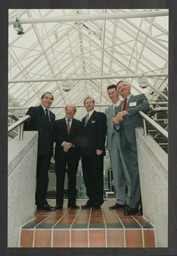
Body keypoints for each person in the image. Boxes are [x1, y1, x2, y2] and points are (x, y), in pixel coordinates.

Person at [113, 81, 150, 215]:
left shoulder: (139, 98)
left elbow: (146, 107)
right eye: (120, 88)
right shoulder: (117, 108)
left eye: (124, 86)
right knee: (133, 174)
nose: (122, 89)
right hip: (125, 144)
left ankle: (135, 205)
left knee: (137, 174)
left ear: (129, 87)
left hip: (136, 141)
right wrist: (116, 123)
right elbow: (116, 128)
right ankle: (138, 204)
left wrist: (126, 112)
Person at [24, 92, 56, 211]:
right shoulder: (33, 110)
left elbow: (52, 134)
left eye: (51, 99)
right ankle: (30, 201)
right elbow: (26, 128)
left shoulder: (52, 115)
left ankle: (41, 202)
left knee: (43, 176)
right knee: (33, 176)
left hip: (46, 151)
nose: (48, 100)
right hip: (35, 150)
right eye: (46, 98)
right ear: (41, 99)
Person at [105, 85, 131, 210]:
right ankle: (121, 200)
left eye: (113, 93)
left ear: (118, 93)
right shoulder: (108, 110)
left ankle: (132, 200)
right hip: (112, 143)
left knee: (128, 172)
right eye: (109, 93)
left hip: (124, 141)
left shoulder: (125, 105)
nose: (111, 95)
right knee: (116, 173)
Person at [54, 104, 82, 209]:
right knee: (59, 178)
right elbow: (55, 135)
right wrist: (63, 143)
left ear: (75, 112)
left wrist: (70, 144)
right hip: (60, 153)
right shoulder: (57, 123)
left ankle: (72, 203)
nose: (70, 112)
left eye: (72, 110)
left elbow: (80, 136)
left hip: (73, 154)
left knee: (72, 178)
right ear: (65, 110)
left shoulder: (79, 124)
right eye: (68, 110)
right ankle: (59, 203)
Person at [80, 97, 107, 210]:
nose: (89, 104)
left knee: (97, 175)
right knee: (87, 176)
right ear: (84, 105)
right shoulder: (83, 119)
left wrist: (100, 147)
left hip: (96, 151)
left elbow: (102, 131)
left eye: (90, 102)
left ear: (94, 104)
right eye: (86, 103)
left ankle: (98, 200)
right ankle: (91, 199)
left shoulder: (100, 116)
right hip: (85, 153)